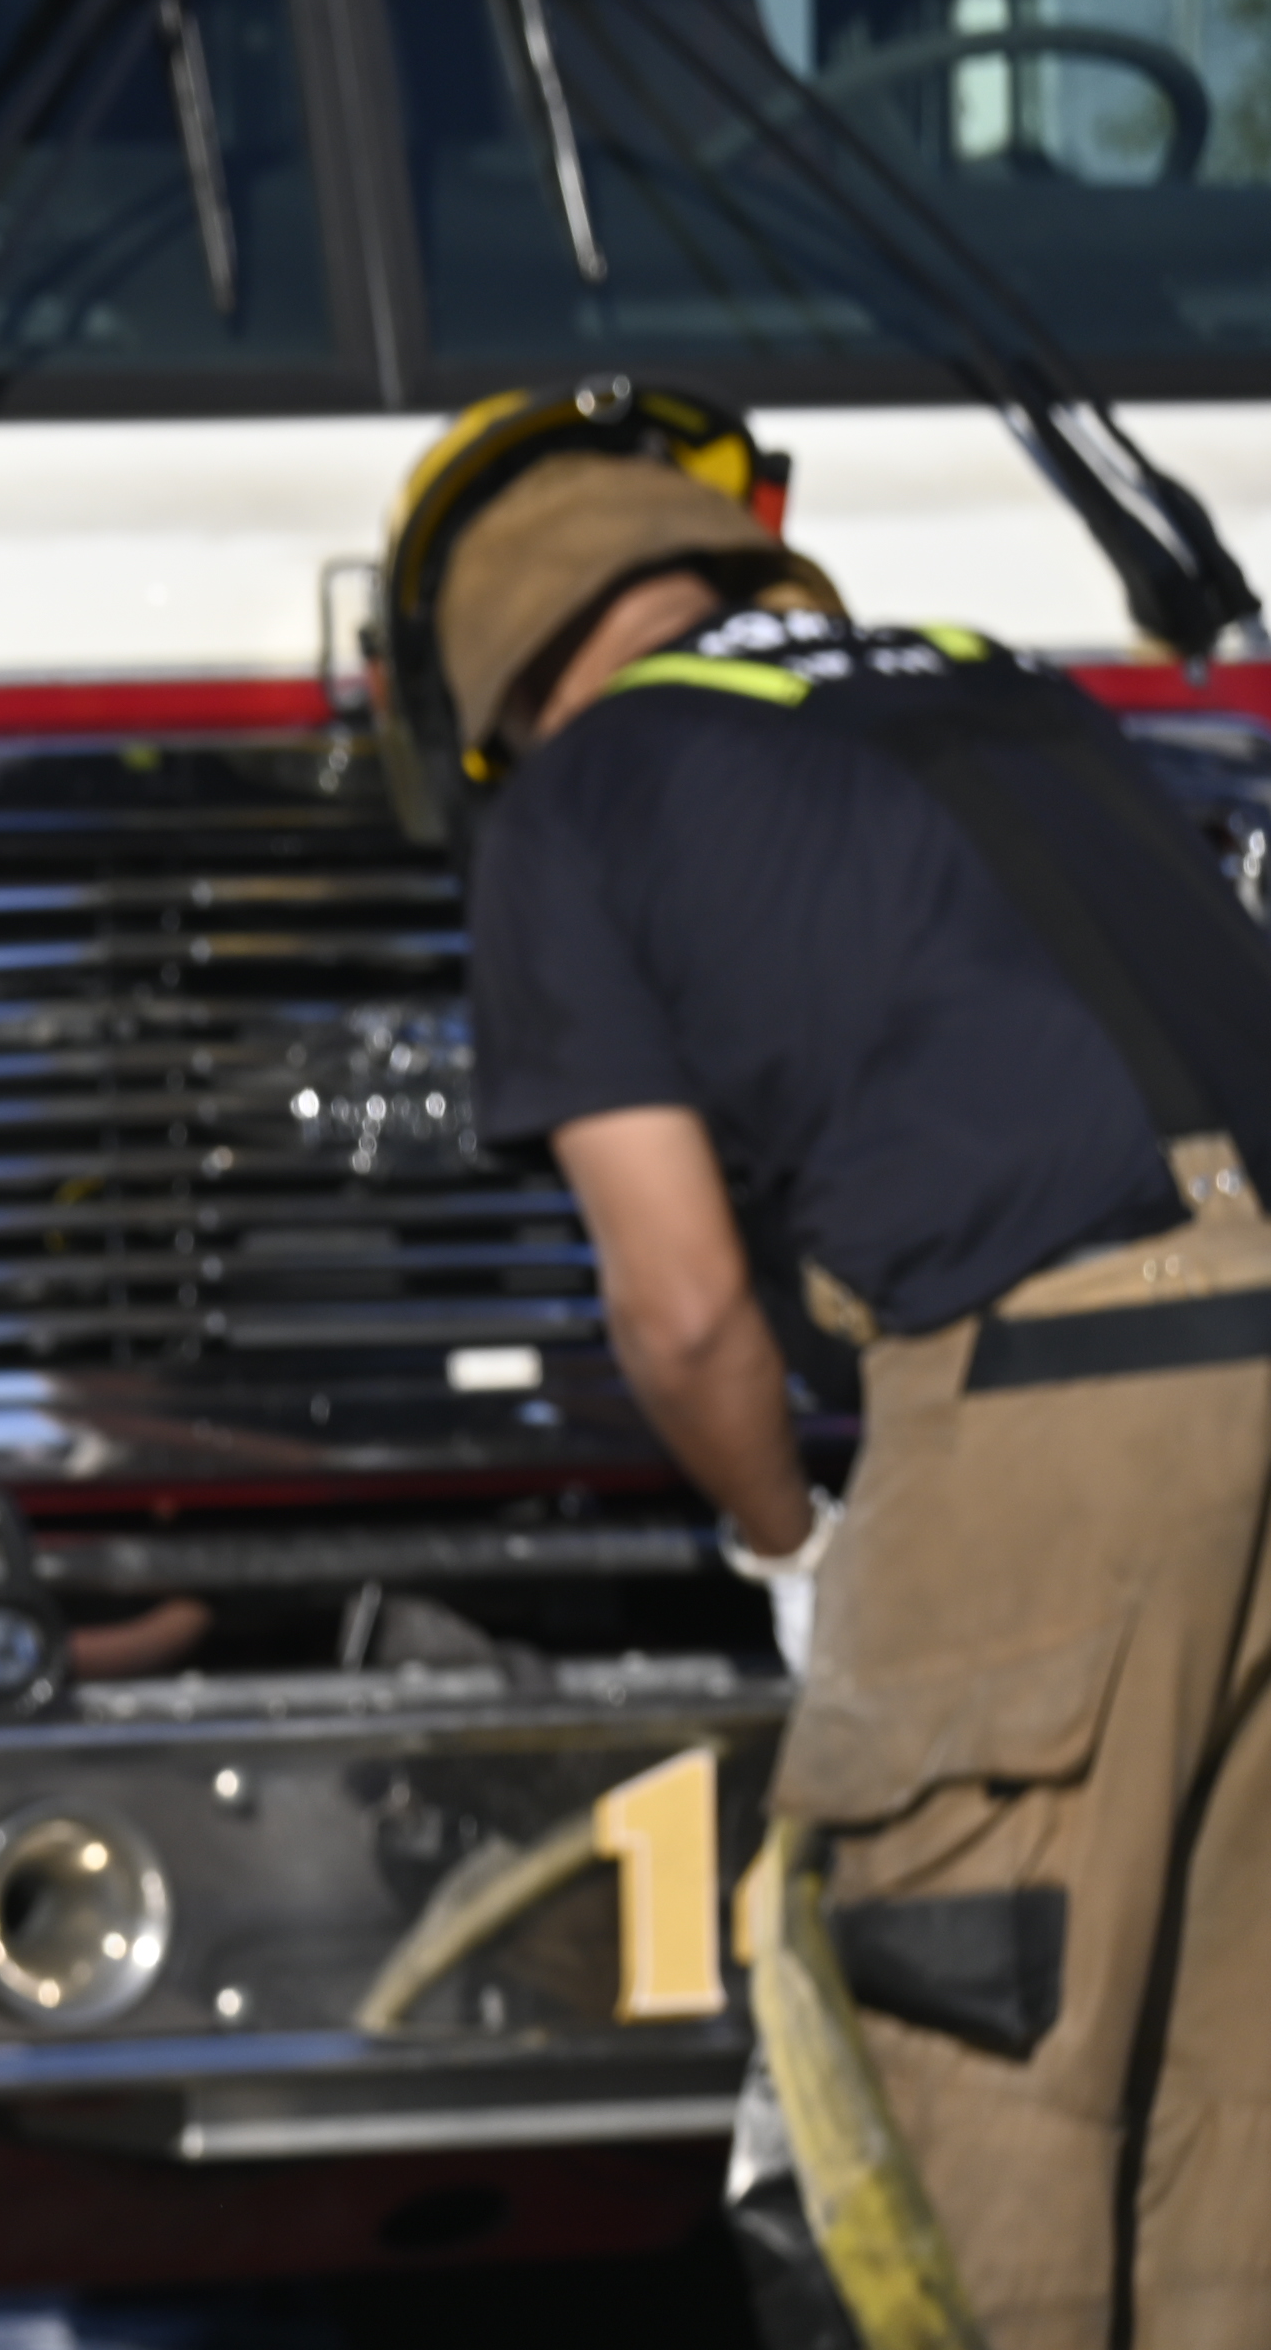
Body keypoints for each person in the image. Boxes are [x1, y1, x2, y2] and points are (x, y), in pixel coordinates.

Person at [381, 379, 1271, 2350]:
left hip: (1042, 1420)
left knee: (966, 2129)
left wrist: (787, 1543)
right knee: (1226, 2122)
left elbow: (683, 1304)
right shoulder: (1025, 697)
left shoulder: (582, 795)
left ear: (491, 684)